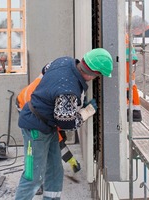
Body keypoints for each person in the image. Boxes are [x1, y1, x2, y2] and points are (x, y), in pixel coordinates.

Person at [15, 48, 113, 200]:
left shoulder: (63, 61)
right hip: (35, 127)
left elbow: (45, 70)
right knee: (33, 176)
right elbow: (66, 123)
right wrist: (84, 113)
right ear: (94, 73)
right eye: (98, 75)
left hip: (48, 125)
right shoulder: (68, 91)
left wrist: (73, 104)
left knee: (54, 171)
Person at [125, 34, 142, 122]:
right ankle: (135, 113)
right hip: (128, 62)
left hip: (125, 62)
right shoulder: (126, 34)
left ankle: (128, 112)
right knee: (131, 86)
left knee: (126, 87)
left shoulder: (121, 35)